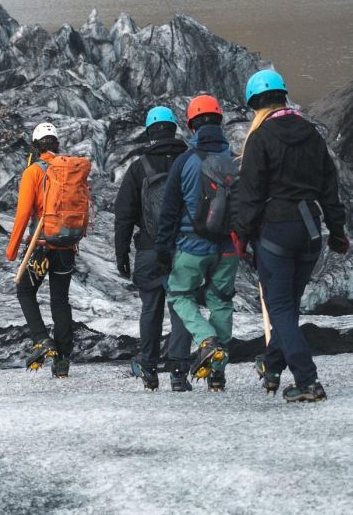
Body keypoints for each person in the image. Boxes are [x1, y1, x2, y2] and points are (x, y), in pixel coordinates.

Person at [234, 69, 348, 402]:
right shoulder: (313, 134)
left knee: (280, 308)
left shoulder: (260, 137)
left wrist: (241, 235)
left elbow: (251, 194)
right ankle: (271, 366)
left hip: (276, 230)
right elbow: (330, 189)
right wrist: (338, 232)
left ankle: (308, 380)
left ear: (255, 103)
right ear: (284, 96)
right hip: (311, 230)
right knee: (288, 308)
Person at [155, 95, 239, 391]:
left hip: (191, 245)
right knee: (220, 302)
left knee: (179, 295)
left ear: (191, 125)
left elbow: (168, 211)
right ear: (219, 121)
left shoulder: (185, 161)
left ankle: (206, 341)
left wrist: (163, 249)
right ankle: (217, 373)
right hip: (228, 247)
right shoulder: (235, 160)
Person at [114, 106, 194, 391]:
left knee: (151, 308)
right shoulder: (190, 162)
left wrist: (121, 253)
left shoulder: (139, 167)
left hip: (148, 249)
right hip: (184, 248)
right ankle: (179, 372)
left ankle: (148, 368)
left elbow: (124, 214)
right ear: (173, 129)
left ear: (150, 132)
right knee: (182, 308)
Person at [5, 122, 78, 378]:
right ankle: (63, 360)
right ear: (56, 143)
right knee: (60, 300)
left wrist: (12, 250)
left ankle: (41, 340)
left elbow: (24, 213)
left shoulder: (34, 172)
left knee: (25, 290)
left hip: (42, 245)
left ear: (35, 146)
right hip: (67, 246)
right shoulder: (69, 170)